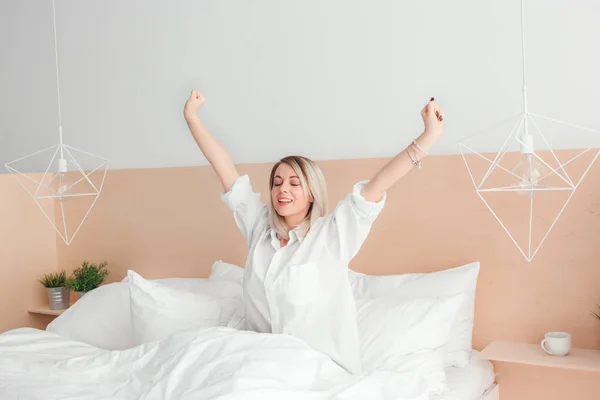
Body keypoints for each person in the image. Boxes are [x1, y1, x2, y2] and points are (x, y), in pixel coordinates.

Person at [183, 91, 444, 374]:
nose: (283, 189)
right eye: (277, 182)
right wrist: (192, 118)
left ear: (311, 194)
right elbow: (224, 168)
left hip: (318, 371)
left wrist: (427, 138)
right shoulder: (259, 229)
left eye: (294, 183)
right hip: (261, 363)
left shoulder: (332, 235)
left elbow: (377, 185)